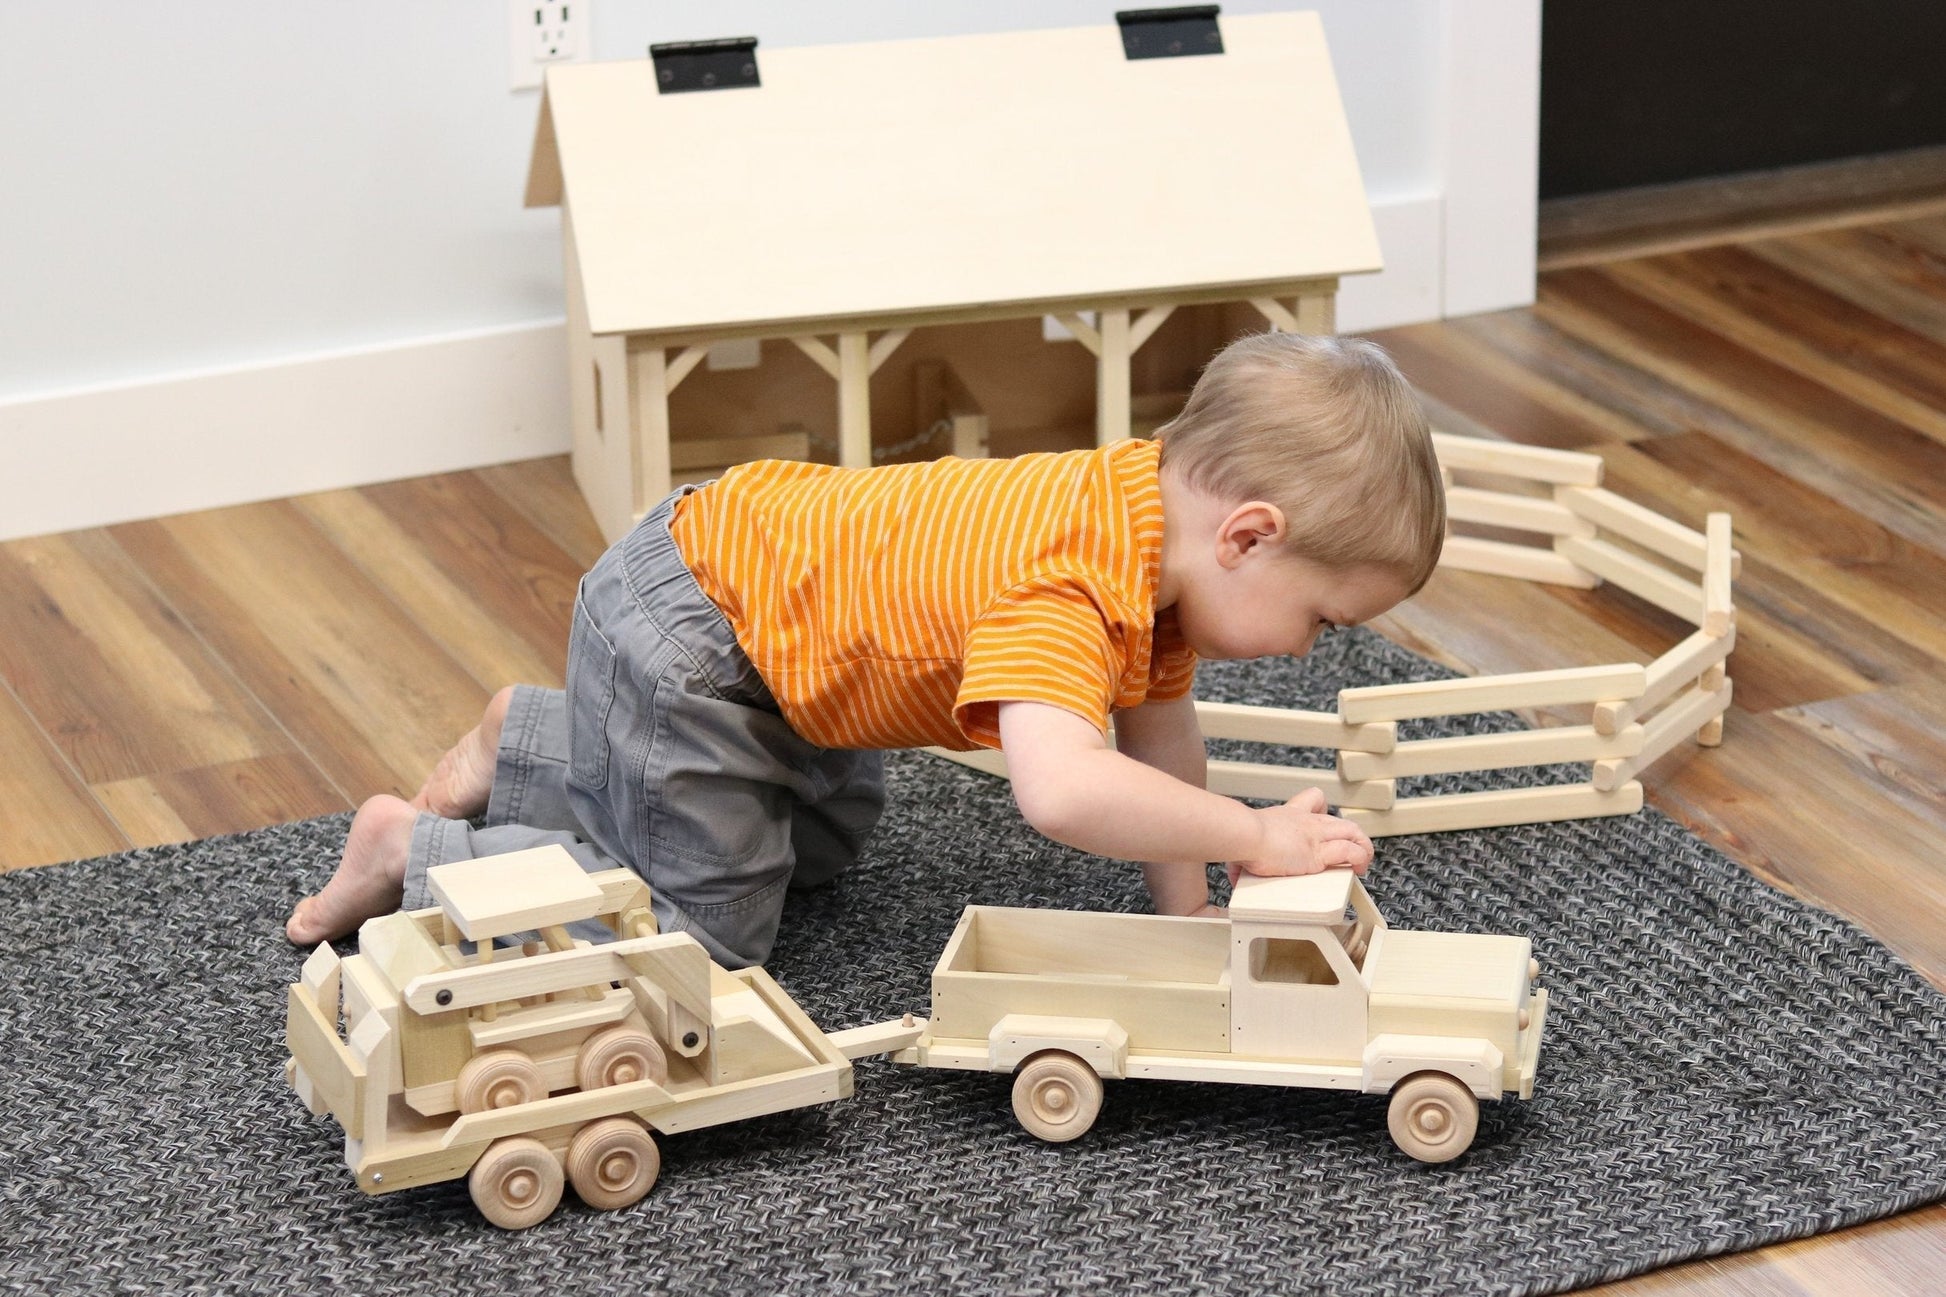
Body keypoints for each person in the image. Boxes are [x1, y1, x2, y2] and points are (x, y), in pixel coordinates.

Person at [286, 331, 1445, 966]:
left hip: (777, 633)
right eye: (1322, 619)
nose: (1309, 649)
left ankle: (535, 738)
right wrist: (1254, 835)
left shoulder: (1155, 541)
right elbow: (1063, 788)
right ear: (1247, 535)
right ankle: (417, 848)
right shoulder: (1066, 581)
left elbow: (1158, 748)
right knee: (707, 938)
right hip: (695, 640)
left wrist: (1186, 911)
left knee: (822, 849)